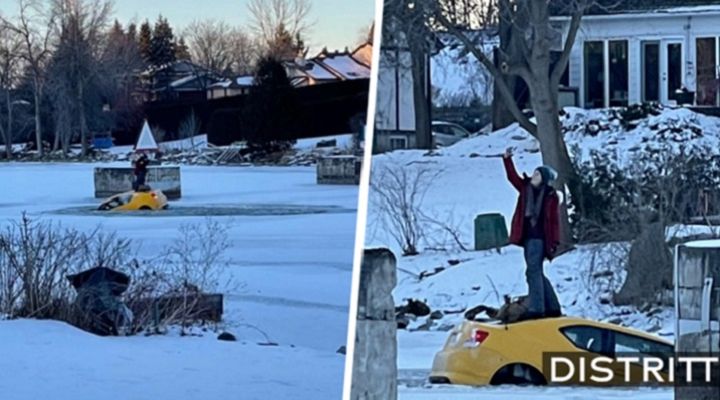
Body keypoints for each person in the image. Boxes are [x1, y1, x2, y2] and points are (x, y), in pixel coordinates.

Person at [502, 147, 562, 319]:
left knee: (532, 272)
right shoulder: (525, 188)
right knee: (536, 272)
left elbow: (554, 222)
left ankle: (537, 308)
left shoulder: (550, 196)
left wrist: (554, 242)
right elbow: (512, 177)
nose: (533, 177)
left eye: (537, 175)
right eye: (534, 174)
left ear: (543, 179)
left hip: (540, 239)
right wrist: (507, 160)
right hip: (527, 237)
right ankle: (552, 306)